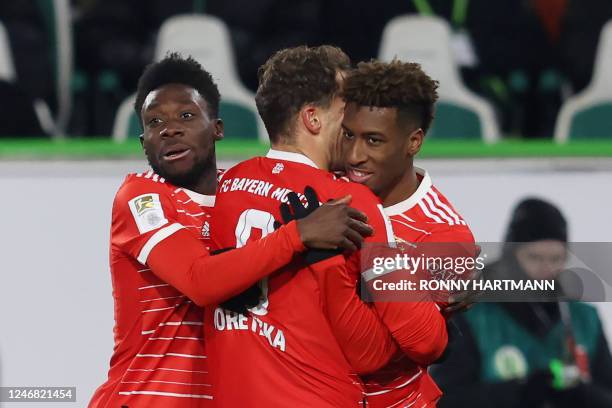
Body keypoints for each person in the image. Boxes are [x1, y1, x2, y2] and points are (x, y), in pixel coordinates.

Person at [88, 53, 373, 408]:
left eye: (186, 116)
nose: (169, 128)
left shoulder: (240, 191)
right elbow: (199, 281)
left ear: (217, 128)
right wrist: (297, 235)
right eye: (154, 122)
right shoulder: (142, 198)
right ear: (143, 141)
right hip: (145, 398)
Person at [206, 45, 448, 407]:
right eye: (344, 107)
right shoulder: (349, 202)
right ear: (313, 119)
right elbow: (416, 343)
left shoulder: (228, 186)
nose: (352, 118)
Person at [339, 59, 477, 407]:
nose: (355, 155)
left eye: (373, 140)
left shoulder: (443, 235)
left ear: (413, 141)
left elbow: (387, 345)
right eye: (348, 135)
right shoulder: (326, 183)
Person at [431, 198, 612, 408]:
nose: (547, 268)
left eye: (556, 258)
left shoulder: (583, 319)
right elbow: (444, 400)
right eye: (535, 257)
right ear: (512, 256)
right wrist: (518, 392)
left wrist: (585, 396)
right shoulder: (473, 316)